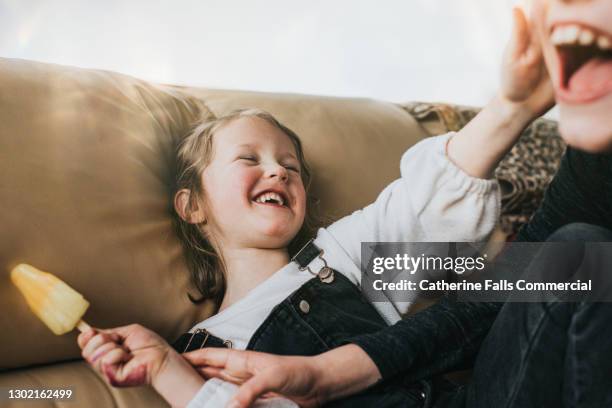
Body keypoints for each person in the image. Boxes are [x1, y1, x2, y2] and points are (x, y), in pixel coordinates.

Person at [77, 5, 555, 408]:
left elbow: (426, 211)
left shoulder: (337, 260)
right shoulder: (201, 354)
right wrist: (163, 365)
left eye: (290, 166)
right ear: (193, 205)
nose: (279, 172)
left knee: (579, 255)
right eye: (249, 159)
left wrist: (510, 107)